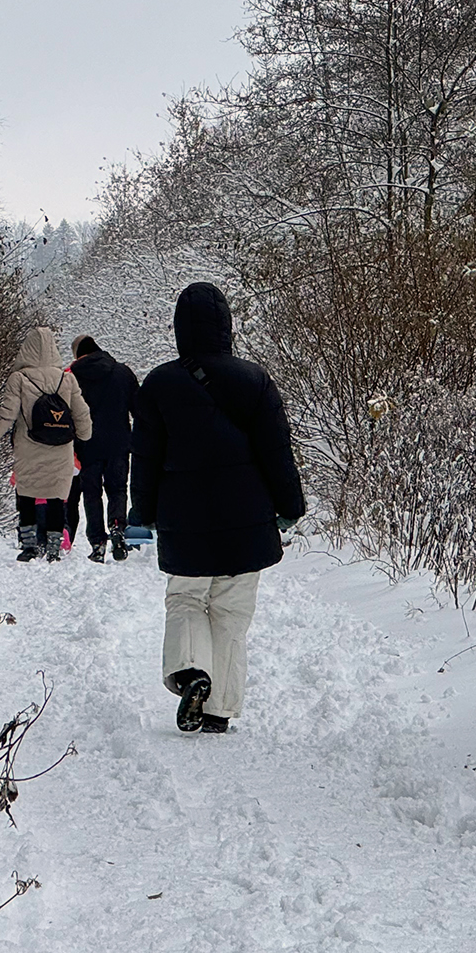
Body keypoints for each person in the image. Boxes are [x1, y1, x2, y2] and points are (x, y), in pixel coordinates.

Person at [128, 283, 305, 733]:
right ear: (227, 325)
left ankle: (192, 671)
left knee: (187, 598)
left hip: (183, 517)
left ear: (178, 329)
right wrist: (289, 506)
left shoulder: (159, 383)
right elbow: (276, 451)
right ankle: (219, 708)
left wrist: (141, 513)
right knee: (231, 611)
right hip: (246, 518)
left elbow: (144, 456)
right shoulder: (254, 379)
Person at [0, 327, 94, 562]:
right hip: (61, 447)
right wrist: (84, 438)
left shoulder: (20, 378)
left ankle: (30, 546)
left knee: (27, 495)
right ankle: (54, 548)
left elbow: (7, 413)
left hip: (28, 446)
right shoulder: (67, 378)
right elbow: (81, 413)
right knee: (56, 497)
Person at [66, 334, 139, 562]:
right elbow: (138, 409)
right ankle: (118, 526)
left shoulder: (72, 377)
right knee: (117, 489)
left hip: (87, 445)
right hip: (119, 444)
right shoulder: (123, 372)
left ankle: (97, 543)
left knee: (92, 494)